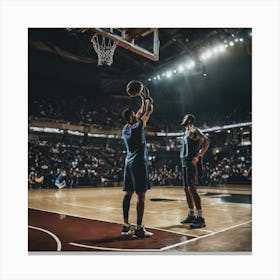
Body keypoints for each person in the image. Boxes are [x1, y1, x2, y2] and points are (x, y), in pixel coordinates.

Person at [121, 92, 154, 238]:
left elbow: (141, 111)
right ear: (131, 117)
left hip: (128, 163)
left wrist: (142, 98)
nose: (136, 114)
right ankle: (139, 228)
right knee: (141, 195)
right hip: (139, 163)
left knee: (128, 193)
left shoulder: (125, 129)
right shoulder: (138, 126)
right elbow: (148, 111)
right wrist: (146, 99)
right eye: (134, 114)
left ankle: (126, 225)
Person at [180, 114, 210, 228]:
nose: (182, 119)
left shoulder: (194, 130)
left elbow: (207, 140)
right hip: (184, 163)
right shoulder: (186, 132)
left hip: (191, 163)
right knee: (186, 189)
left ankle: (200, 218)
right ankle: (191, 214)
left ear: (189, 120)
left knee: (192, 189)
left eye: (185, 118)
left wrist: (199, 155)